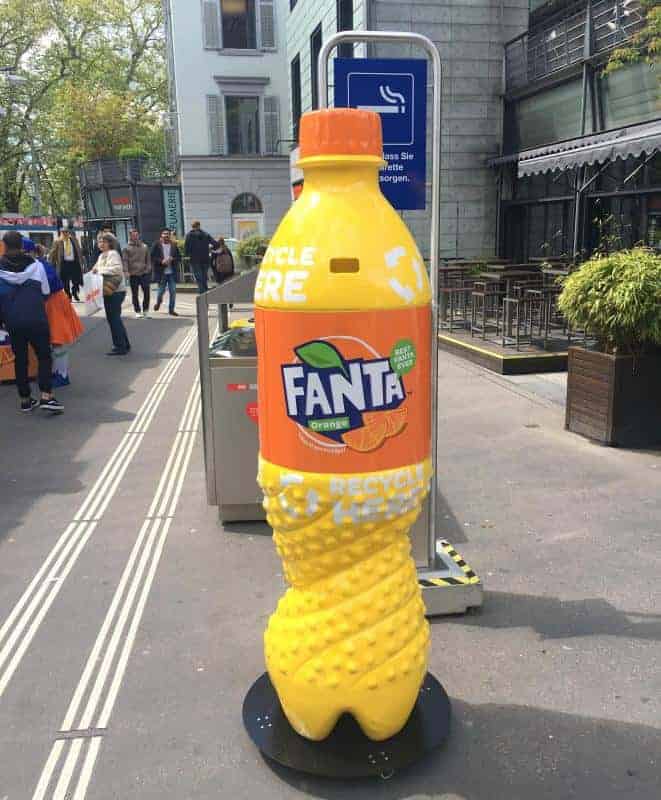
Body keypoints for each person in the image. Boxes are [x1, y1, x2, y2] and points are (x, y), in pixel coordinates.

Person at [0, 231, 63, 412]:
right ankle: (46, 396)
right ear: (21, 245)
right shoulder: (36, 266)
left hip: (12, 322)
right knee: (44, 356)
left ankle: (25, 399)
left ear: (4, 246)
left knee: (20, 359)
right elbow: (45, 291)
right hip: (36, 318)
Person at [35, 242, 84, 386]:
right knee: (56, 341)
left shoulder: (40, 265)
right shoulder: (41, 264)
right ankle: (59, 372)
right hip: (54, 303)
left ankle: (62, 375)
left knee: (58, 340)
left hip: (54, 304)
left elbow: (47, 286)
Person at [94, 233, 131, 356]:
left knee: (113, 318)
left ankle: (120, 346)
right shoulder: (101, 256)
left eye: (103, 241)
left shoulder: (113, 254)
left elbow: (116, 269)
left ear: (110, 243)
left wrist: (99, 270)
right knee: (114, 318)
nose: (101, 244)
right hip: (108, 290)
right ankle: (124, 344)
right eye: (99, 242)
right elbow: (96, 269)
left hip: (116, 291)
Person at [151, 229, 181, 316]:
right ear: (161, 236)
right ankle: (158, 302)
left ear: (169, 236)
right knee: (160, 292)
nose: (166, 236)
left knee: (173, 291)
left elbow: (179, 257)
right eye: (164, 234)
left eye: (167, 235)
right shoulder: (156, 245)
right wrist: (161, 261)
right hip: (161, 273)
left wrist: (172, 259)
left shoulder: (174, 245)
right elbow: (152, 257)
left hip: (172, 272)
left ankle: (171, 310)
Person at [50, 229, 85, 301]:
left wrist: (81, 260)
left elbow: (78, 250)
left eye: (66, 232)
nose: (65, 234)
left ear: (68, 233)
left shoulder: (74, 240)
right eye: (63, 232)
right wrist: (51, 263)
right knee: (65, 281)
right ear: (61, 233)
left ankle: (74, 291)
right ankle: (68, 295)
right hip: (64, 264)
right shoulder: (57, 242)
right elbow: (53, 253)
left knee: (76, 280)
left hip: (74, 263)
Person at [123, 228, 151, 318]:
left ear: (138, 235)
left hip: (144, 273)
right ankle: (137, 311)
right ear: (130, 236)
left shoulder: (144, 246)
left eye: (136, 235)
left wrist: (148, 269)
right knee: (135, 293)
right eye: (133, 235)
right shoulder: (126, 248)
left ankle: (145, 310)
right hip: (133, 274)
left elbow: (148, 260)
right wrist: (126, 271)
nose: (135, 236)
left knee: (147, 291)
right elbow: (125, 261)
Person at [184, 220, 217, 294]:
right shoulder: (205, 234)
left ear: (192, 227)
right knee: (204, 277)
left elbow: (186, 248)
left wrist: (188, 255)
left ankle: (202, 293)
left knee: (199, 278)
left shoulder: (189, 235)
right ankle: (205, 292)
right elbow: (215, 243)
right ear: (199, 226)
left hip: (194, 260)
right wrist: (210, 249)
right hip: (205, 259)